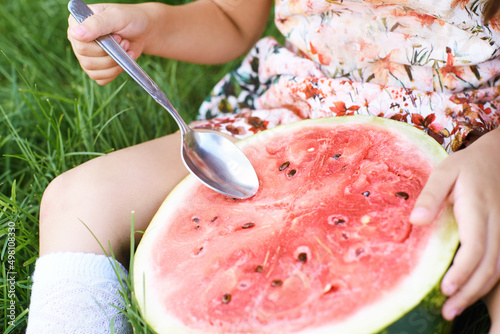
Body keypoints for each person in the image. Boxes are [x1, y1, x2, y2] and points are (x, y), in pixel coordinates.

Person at [27, 0, 500, 333]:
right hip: (300, 108)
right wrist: (151, 24)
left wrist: (491, 157)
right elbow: (231, 17)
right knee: (77, 200)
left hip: (471, 135)